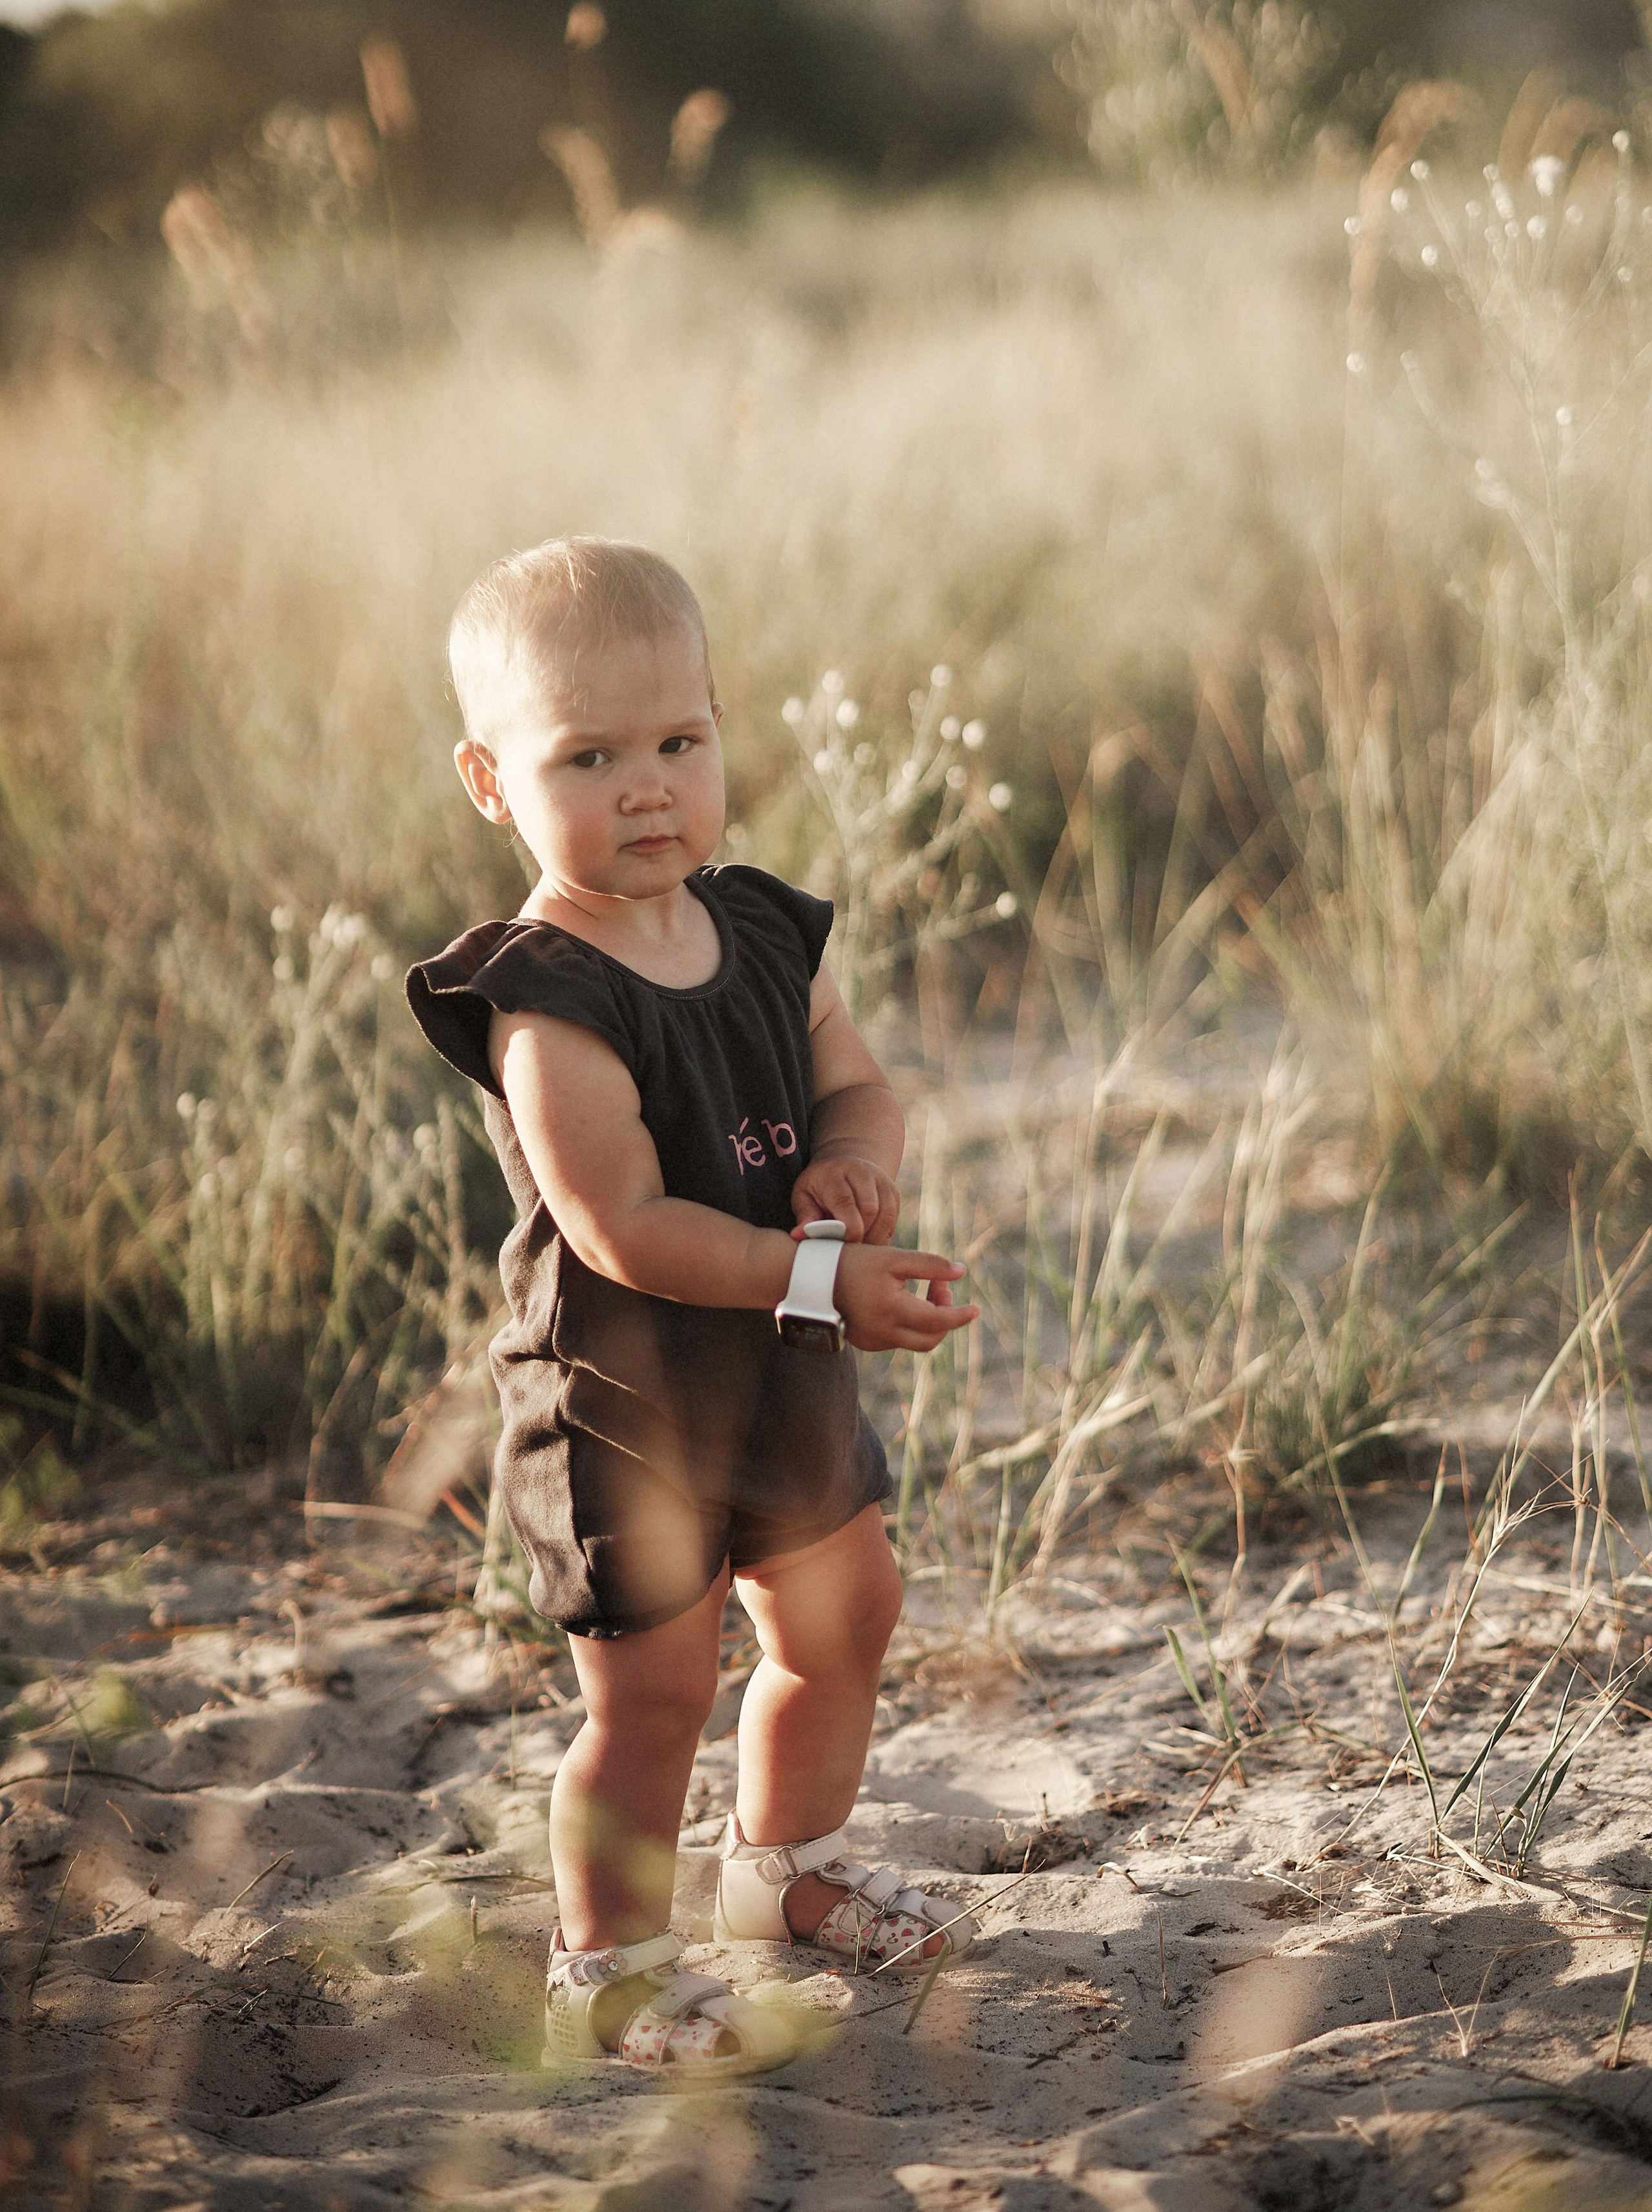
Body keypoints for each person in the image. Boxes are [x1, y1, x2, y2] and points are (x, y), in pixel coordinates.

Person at [407, 537, 979, 2079]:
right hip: (622, 1405)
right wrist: (825, 1280)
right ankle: (605, 1964)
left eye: (677, 740)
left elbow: (857, 1084)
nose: (647, 787)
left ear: (721, 730)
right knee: (654, 1692)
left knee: (844, 1613)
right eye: (588, 756)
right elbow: (625, 1227)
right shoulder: (545, 999)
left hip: (780, 1373)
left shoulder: (764, 931)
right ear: (490, 781)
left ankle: (784, 1869)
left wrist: (853, 1171)